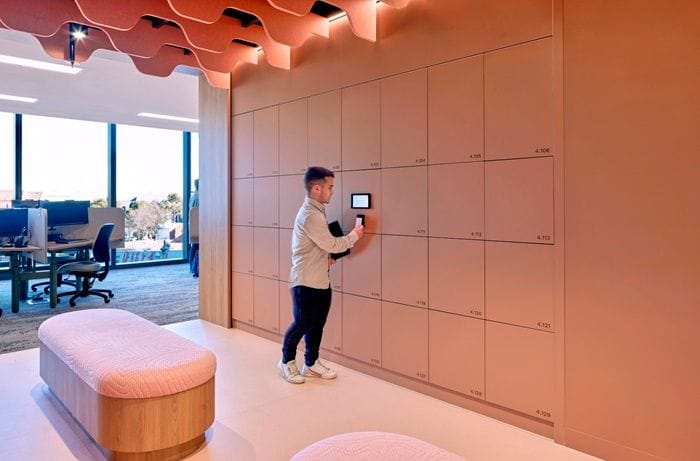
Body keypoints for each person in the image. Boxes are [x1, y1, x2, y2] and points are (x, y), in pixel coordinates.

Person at [278, 167, 364, 384]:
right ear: (316, 189)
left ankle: (311, 363)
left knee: (317, 324)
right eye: (330, 187)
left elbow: (318, 246)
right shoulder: (310, 215)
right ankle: (286, 362)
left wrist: (325, 256)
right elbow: (331, 243)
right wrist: (355, 235)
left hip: (320, 280)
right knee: (302, 323)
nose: (332, 191)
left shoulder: (317, 212)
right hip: (305, 281)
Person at [189, 179, 200, 277]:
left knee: (195, 246)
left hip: (193, 225)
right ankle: (196, 269)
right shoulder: (202, 196)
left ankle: (192, 267)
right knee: (198, 246)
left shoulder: (192, 196)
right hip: (200, 225)